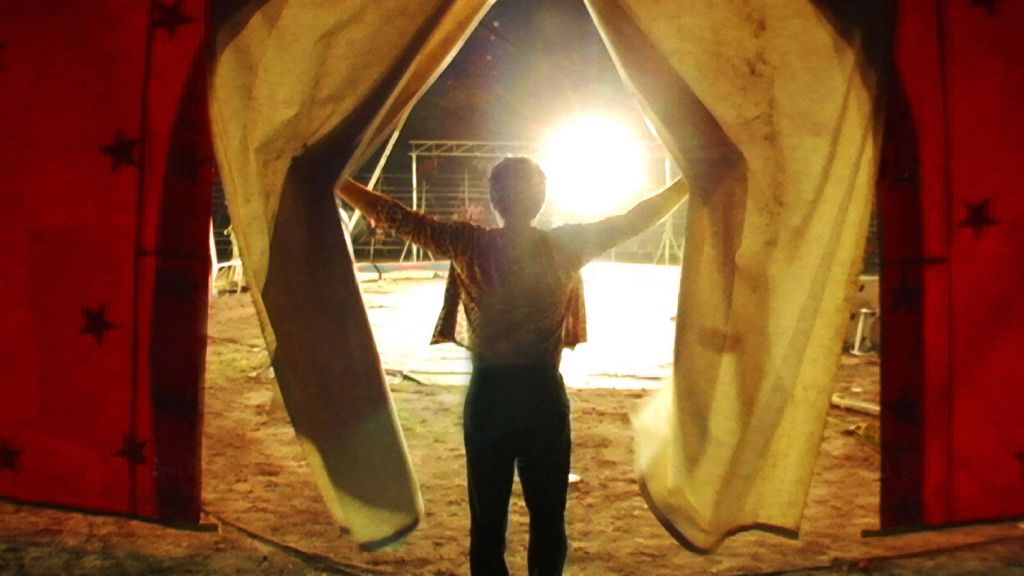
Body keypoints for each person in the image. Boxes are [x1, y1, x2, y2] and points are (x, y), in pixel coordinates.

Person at [335, 157, 688, 575]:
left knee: (487, 525)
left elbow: (395, 217)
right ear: (541, 199)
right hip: (542, 398)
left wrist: (337, 180)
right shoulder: (564, 246)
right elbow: (635, 219)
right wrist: (686, 182)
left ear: (493, 199)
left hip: (489, 399)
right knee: (548, 521)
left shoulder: (468, 244)